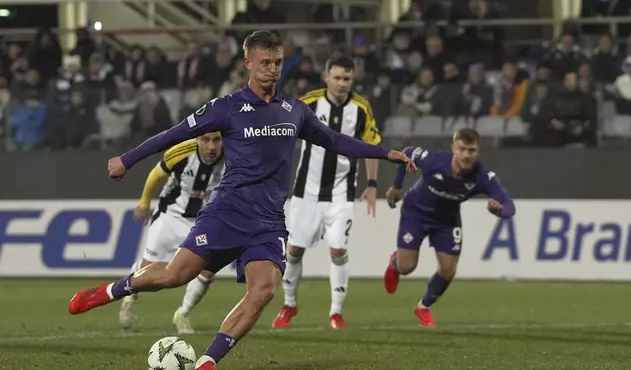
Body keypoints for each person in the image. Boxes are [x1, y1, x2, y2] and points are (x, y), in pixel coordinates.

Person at [68, 30, 415, 370]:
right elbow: (175, 133)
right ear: (247, 62)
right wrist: (127, 160)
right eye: (265, 62)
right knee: (176, 275)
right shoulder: (226, 108)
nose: (272, 69)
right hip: (227, 211)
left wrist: (386, 154)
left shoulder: (294, 110)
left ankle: (207, 362)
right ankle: (112, 291)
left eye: (278, 62)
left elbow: (336, 141)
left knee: (263, 291)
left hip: (269, 222)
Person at [272, 55, 380, 330]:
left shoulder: (361, 108)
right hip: (305, 192)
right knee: (293, 250)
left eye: (347, 78)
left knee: (338, 250)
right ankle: (289, 305)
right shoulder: (308, 102)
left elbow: (371, 145)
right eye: (338, 78)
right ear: (326, 77)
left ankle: (335, 313)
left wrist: (372, 184)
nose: (343, 83)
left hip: (341, 194)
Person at [383, 128, 515, 328]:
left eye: (471, 150)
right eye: (462, 149)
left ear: (477, 151)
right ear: (454, 148)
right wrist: (397, 185)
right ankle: (395, 263)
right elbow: (407, 153)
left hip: (447, 220)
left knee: (448, 270)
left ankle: (423, 307)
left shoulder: (482, 176)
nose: (466, 155)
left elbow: (509, 206)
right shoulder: (434, 160)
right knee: (406, 267)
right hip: (416, 213)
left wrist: (500, 211)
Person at [119, 132, 225, 334]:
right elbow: (156, 175)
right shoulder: (181, 152)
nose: (211, 146)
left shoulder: (234, 156)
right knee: (151, 274)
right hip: (171, 216)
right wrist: (143, 203)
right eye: (206, 140)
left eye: (216, 140)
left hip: (202, 222)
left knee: (209, 269)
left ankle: (182, 314)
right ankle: (131, 293)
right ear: (197, 140)